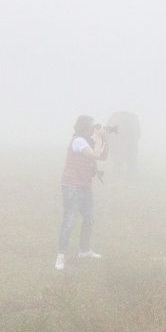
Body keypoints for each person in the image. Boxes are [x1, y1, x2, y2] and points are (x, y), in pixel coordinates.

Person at [55, 115, 110, 270]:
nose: (94, 129)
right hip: (72, 186)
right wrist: (99, 138)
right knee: (70, 220)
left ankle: (84, 250)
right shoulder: (79, 141)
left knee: (90, 218)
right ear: (84, 127)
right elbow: (95, 155)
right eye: (92, 127)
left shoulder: (89, 141)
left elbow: (103, 156)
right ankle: (61, 255)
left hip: (85, 186)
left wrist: (107, 140)